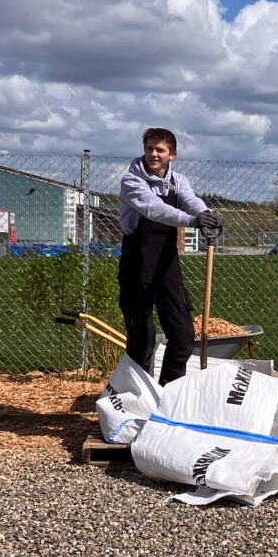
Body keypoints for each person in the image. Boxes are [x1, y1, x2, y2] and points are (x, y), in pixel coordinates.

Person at [118, 127, 222, 384]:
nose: (153, 154)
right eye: (149, 149)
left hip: (167, 267)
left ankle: (167, 393)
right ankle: (136, 398)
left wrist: (206, 214)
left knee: (183, 336)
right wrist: (191, 220)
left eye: (159, 150)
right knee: (142, 338)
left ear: (172, 154)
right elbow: (155, 210)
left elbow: (190, 200)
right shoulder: (132, 181)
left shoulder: (178, 181)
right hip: (136, 266)